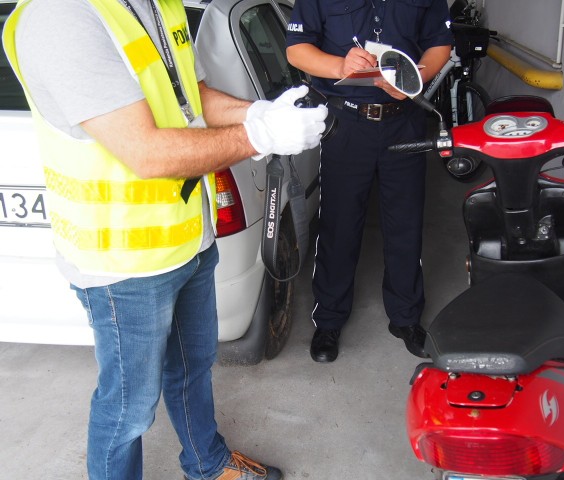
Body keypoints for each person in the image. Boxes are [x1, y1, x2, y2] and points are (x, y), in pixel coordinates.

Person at [3, 0, 327, 479]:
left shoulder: (159, 5)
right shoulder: (61, 17)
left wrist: (256, 110)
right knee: (129, 409)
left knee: (194, 369)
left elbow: (188, 96)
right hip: (123, 265)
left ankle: (207, 462)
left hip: (188, 239)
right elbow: (146, 152)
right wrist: (259, 136)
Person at [286, 0, 452, 363]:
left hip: (403, 120)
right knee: (339, 225)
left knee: (405, 224)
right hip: (347, 124)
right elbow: (297, 50)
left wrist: (418, 77)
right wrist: (339, 65)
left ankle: (406, 318)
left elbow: (441, 41)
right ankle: (328, 321)